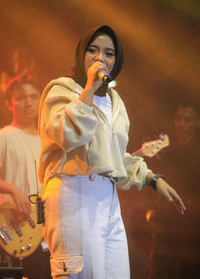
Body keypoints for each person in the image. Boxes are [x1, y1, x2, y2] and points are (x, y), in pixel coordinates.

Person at [38, 25, 186, 279]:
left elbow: (115, 156)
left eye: (108, 53)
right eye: (92, 51)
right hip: (73, 192)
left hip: (108, 198)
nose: (99, 59)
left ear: (117, 61)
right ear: (80, 54)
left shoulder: (116, 101)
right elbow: (67, 135)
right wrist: (89, 90)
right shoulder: (62, 90)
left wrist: (152, 179)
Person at [0, 74, 52, 279]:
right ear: (9, 103)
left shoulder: (49, 141)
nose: (29, 102)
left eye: (33, 96)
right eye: (21, 97)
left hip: (47, 232)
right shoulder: (4, 136)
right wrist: (12, 189)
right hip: (15, 231)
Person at [147, 102, 200, 279]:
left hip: (191, 228)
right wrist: (153, 211)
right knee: (160, 271)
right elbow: (155, 182)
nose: (182, 124)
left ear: (197, 123)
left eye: (188, 120)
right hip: (165, 226)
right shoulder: (166, 149)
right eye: (179, 119)